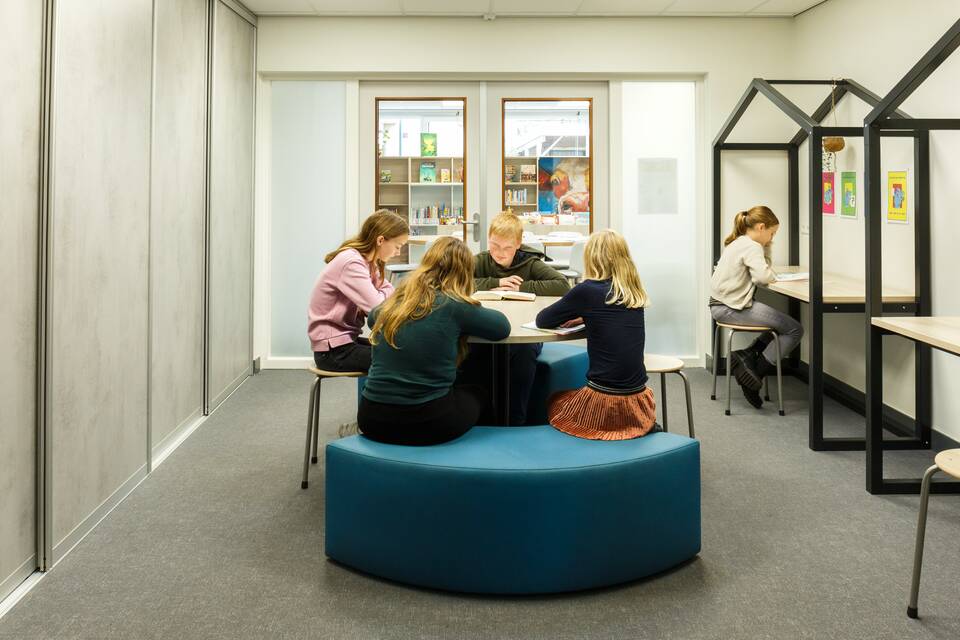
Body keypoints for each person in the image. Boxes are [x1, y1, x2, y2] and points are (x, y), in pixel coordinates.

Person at [358, 237, 511, 446]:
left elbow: (373, 317)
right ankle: (481, 459)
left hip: (371, 418)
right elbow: (502, 328)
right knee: (479, 393)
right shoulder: (455, 305)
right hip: (426, 421)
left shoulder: (396, 302)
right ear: (464, 272)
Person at [535, 230, 657, 440]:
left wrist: (583, 313)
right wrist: (586, 317)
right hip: (638, 400)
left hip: (604, 403)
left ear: (591, 258)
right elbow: (611, 317)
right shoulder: (632, 291)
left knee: (555, 401)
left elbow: (543, 320)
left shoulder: (587, 291)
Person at [468, 212, 570, 424]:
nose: (499, 253)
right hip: (488, 329)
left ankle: (516, 420)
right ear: (488, 240)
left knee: (523, 353)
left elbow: (561, 285)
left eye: (507, 248)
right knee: (475, 350)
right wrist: (494, 283)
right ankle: (482, 417)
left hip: (526, 331)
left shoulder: (530, 263)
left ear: (518, 244)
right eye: (494, 246)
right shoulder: (480, 260)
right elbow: (457, 282)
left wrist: (521, 286)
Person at [709, 205, 803, 408]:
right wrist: (767, 255)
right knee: (795, 329)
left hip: (722, 305)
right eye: (771, 233)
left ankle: (747, 355)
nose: (772, 239)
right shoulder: (752, 246)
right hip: (731, 308)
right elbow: (763, 276)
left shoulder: (739, 242)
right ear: (761, 227)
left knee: (780, 325)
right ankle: (755, 373)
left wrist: (765, 249)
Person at [307, 210, 408, 373]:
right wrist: (381, 293)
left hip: (345, 342)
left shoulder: (368, 263)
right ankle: (375, 399)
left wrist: (382, 292)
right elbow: (378, 308)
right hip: (332, 351)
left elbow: (390, 291)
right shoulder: (352, 263)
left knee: (401, 352)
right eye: (398, 246)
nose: (398, 252)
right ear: (381, 240)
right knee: (402, 361)